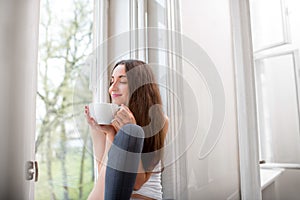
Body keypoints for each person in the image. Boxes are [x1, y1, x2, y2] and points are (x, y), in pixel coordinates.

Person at [85, 59, 169, 200]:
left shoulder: (160, 120)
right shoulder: (103, 122)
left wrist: (132, 132)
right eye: (112, 81)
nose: (112, 88)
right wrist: (110, 134)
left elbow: (137, 183)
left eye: (122, 81)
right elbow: (106, 179)